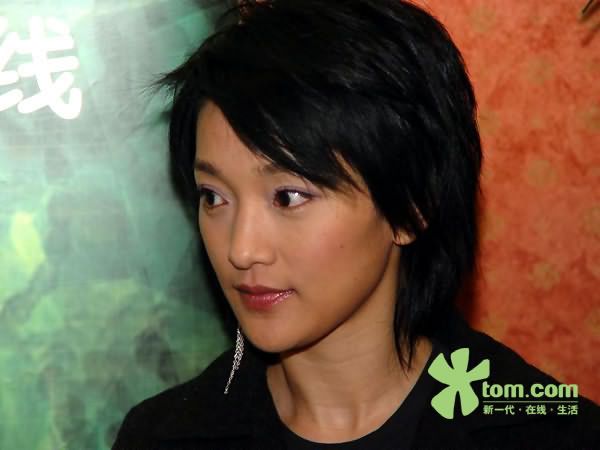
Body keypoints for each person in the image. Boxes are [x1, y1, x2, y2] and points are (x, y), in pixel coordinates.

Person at [112, 1, 600, 448]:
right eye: (214, 197)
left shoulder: (548, 434)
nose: (241, 249)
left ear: (411, 206)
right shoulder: (162, 438)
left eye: (288, 197)